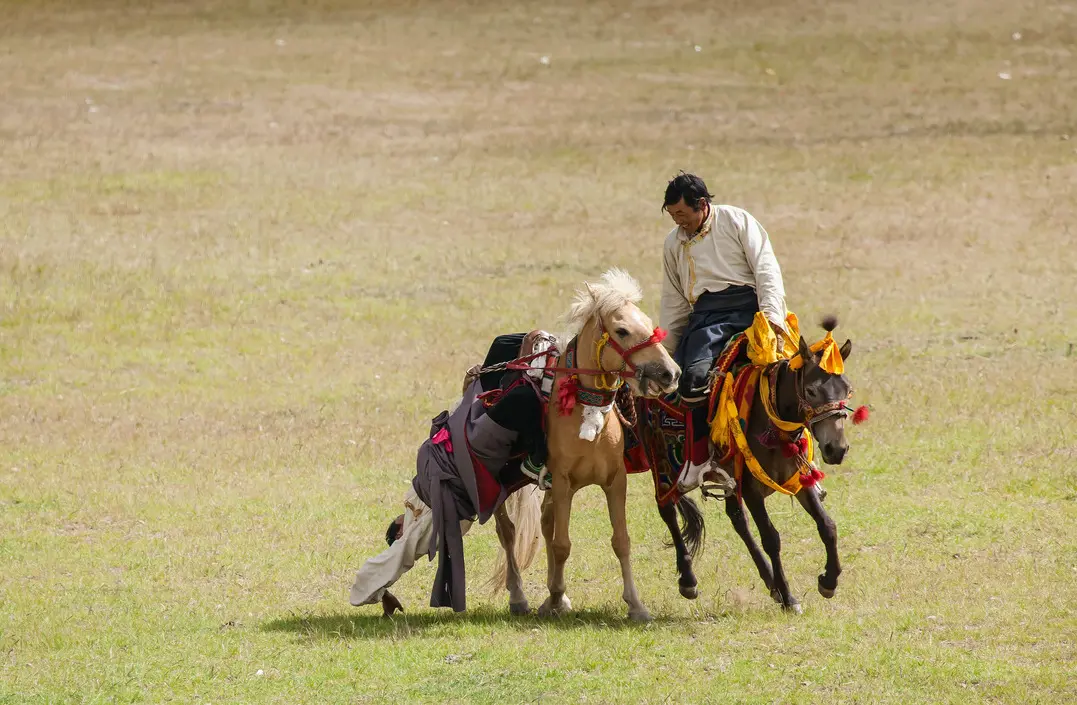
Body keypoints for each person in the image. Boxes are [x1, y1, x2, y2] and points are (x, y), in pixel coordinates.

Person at [348, 332, 551, 615]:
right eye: (397, 526)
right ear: (400, 532)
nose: (399, 519)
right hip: (472, 453)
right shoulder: (418, 532)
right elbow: (386, 563)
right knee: (524, 399)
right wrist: (381, 593)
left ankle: (552, 345)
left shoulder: (413, 501)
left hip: (462, 433)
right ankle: (540, 459)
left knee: (503, 343)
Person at [658, 173, 789, 494]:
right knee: (691, 380)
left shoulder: (736, 221)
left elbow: (766, 269)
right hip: (706, 319)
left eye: (682, 214)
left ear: (702, 204)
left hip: (750, 308)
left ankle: (801, 455)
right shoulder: (674, 243)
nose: (679, 222)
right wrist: (666, 352)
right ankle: (699, 460)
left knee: (794, 375)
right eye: (673, 215)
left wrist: (773, 318)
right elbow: (674, 301)